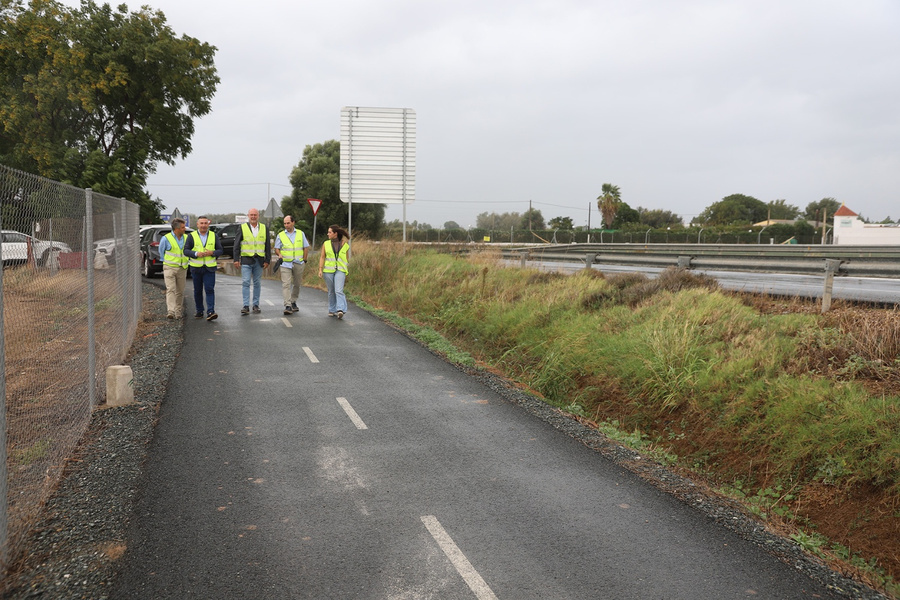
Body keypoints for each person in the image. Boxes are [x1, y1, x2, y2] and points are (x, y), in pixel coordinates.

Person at [184, 216, 222, 321]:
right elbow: (186, 251)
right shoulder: (191, 236)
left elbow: (220, 250)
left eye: (205, 223)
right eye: (201, 223)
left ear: (208, 224)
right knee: (197, 290)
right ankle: (199, 311)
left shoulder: (214, 236)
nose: (203, 225)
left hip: (209, 268)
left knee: (209, 289)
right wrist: (196, 253)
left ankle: (211, 311)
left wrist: (212, 253)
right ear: (197, 225)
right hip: (196, 268)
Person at [233, 208, 270, 315]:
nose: (253, 217)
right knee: (246, 282)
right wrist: (236, 259)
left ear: (258, 216)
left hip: (259, 260)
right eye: (251, 215)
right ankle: (245, 306)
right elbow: (236, 245)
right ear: (248, 216)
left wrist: (267, 259)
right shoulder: (242, 227)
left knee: (257, 283)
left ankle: (256, 305)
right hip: (246, 260)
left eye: (255, 215)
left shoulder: (264, 228)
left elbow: (267, 245)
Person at [274, 215, 310, 315]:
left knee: (297, 284)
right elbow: (276, 248)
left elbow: (305, 247)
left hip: (298, 262)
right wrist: (279, 254)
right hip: (285, 263)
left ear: (293, 222)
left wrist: (305, 259)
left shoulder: (300, 233)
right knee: (286, 284)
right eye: (285, 223)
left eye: (288, 223)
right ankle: (288, 305)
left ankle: (293, 301)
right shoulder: (280, 235)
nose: (286, 225)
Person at [159, 218, 188, 319]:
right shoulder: (166, 238)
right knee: (171, 289)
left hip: (182, 268)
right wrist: (166, 262)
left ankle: (178, 312)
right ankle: (170, 311)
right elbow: (161, 251)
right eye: (183, 227)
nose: (185, 229)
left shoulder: (186, 238)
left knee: (180, 291)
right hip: (169, 267)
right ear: (177, 229)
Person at [318, 224, 349, 319]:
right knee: (331, 291)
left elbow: (346, 258)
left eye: (330, 232)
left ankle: (340, 309)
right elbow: (322, 257)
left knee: (338, 290)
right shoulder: (326, 244)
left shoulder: (345, 245)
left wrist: (345, 268)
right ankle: (332, 309)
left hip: (340, 270)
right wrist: (320, 269)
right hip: (328, 271)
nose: (328, 234)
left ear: (335, 233)